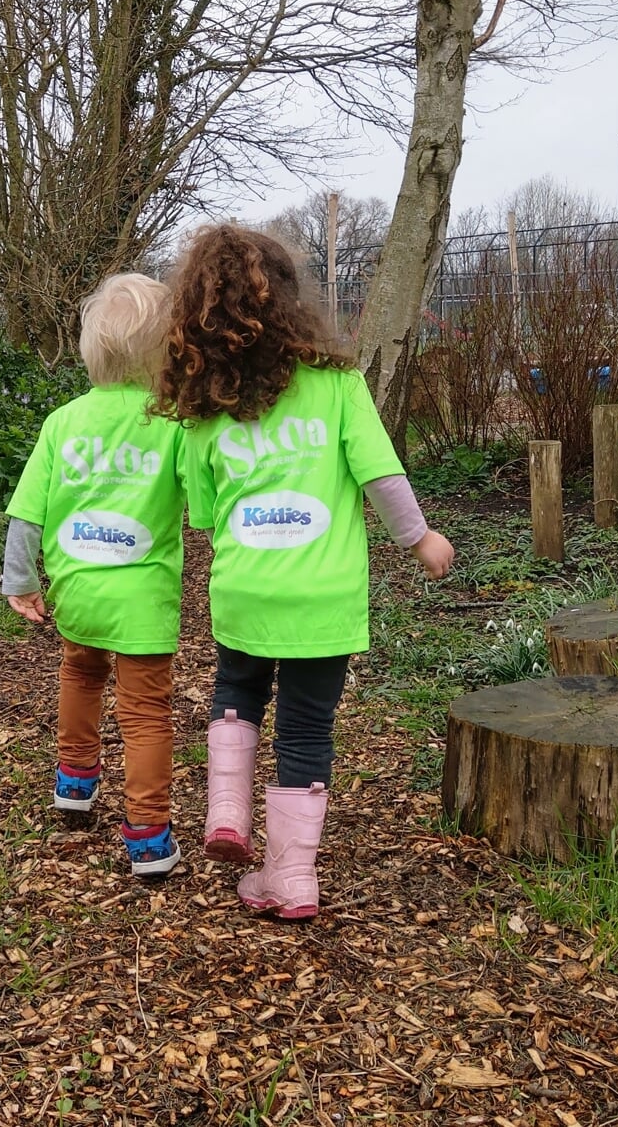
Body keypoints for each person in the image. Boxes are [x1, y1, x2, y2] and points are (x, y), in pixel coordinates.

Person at [155, 225, 455, 919]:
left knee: (236, 690)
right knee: (308, 728)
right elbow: (382, 475)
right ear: (290, 300)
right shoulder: (339, 386)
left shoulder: (203, 415)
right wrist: (421, 539)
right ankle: (291, 879)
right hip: (323, 599)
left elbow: (202, 513)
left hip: (247, 590)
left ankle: (227, 814)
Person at [2, 274, 186, 877]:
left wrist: (20, 580)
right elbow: (208, 508)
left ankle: (73, 783)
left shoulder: (62, 422)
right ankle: (149, 836)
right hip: (142, 597)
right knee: (145, 712)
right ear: (165, 348)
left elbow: (26, 511)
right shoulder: (175, 423)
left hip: (78, 588)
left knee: (80, 673)